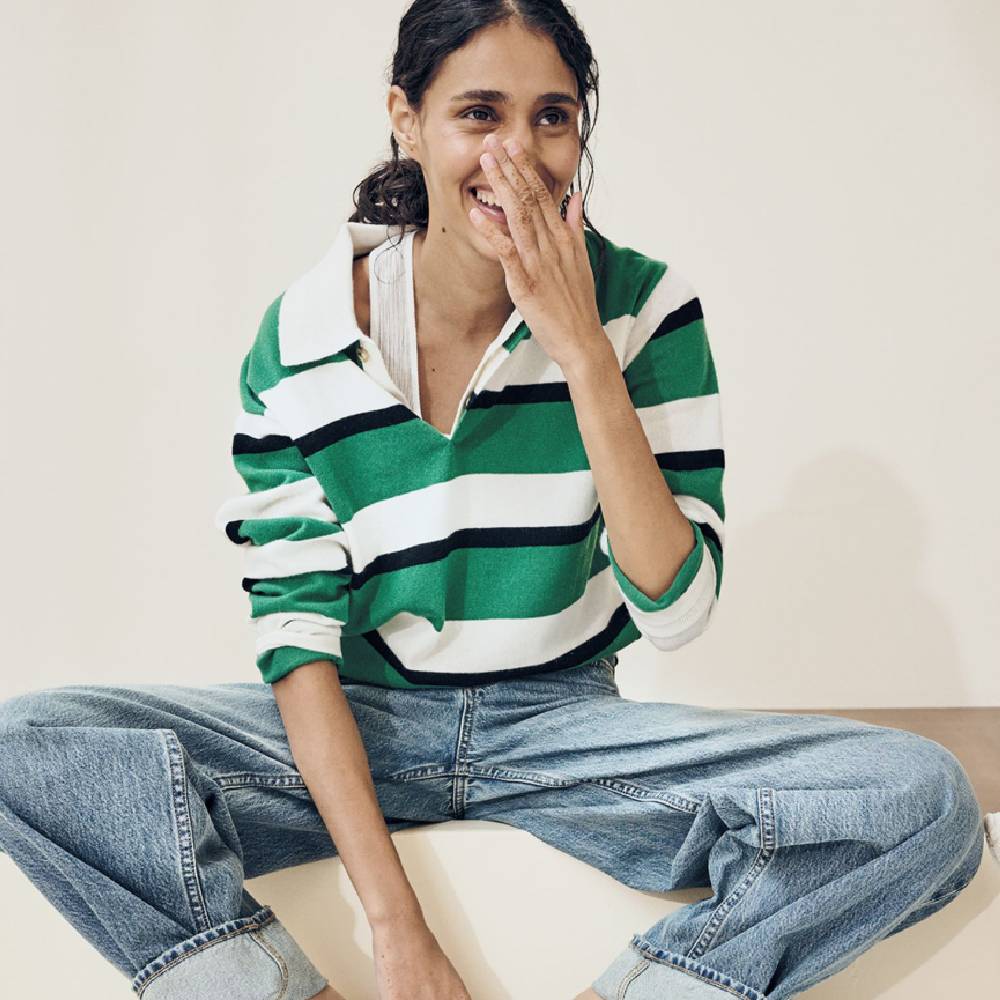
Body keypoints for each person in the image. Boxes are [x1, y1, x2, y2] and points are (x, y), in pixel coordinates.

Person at [0, 3, 985, 999]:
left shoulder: (646, 308)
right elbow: (296, 644)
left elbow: (675, 609)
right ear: (406, 118)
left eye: (551, 117)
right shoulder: (300, 335)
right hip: (365, 723)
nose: (517, 152)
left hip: (562, 731)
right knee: (26, 745)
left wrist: (582, 349)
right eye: (479, 112)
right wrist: (397, 928)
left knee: (918, 799)